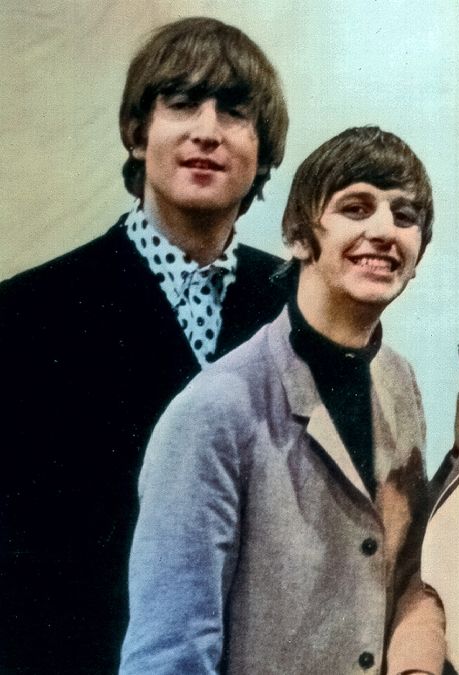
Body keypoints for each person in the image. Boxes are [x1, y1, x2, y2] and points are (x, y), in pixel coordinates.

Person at [0, 17, 289, 671]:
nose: (207, 131)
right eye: (181, 103)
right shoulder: (25, 315)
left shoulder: (300, 305)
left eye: (236, 112)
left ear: (263, 148)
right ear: (137, 133)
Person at [120, 126, 445, 674]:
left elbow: (408, 574)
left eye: (405, 216)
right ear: (297, 237)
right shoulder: (213, 412)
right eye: (356, 208)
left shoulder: (399, 381)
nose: (384, 231)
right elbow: (168, 656)